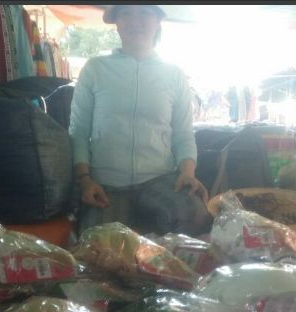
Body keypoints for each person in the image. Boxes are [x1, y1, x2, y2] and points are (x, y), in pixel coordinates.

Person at [69, 5, 210, 236]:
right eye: (126, 12)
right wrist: (85, 180)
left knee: (194, 214)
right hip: (107, 186)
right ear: (117, 23)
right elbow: (79, 131)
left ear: (158, 20)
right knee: (97, 243)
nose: (136, 20)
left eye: (144, 11)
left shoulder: (174, 75)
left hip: (160, 181)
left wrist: (187, 173)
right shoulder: (95, 69)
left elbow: (183, 134)